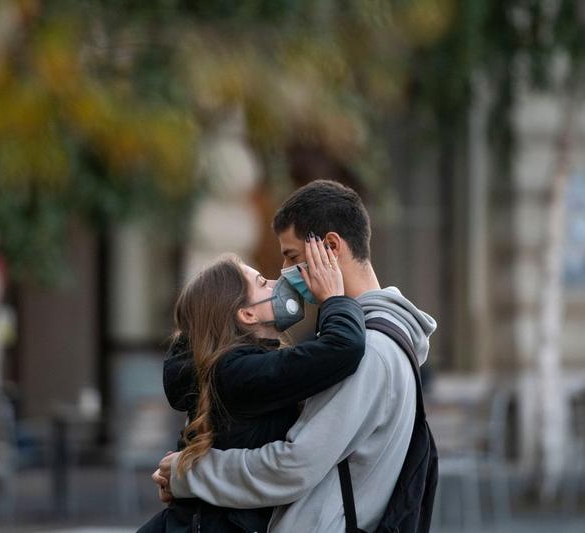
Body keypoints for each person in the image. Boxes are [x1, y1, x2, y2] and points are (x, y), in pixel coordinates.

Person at [153, 179, 437, 532]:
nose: (285, 275)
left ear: (331, 247)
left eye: (292, 257)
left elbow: (293, 466)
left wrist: (188, 473)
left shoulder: (369, 350)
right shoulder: (380, 339)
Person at [137, 235, 367, 533]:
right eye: (262, 283)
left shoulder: (228, 368)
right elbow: (344, 347)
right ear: (246, 314)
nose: (275, 283)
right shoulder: (239, 373)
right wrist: (335, 298)